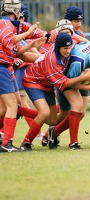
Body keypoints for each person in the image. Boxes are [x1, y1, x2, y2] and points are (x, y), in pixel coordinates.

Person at [19, 32, 90, 151]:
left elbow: (75, 38)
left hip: (47, 84)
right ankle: (26, 143)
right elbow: (64, 83)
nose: (68, 51)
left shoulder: (71, 44)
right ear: (57, 47)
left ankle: (19, 110)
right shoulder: (52, 61)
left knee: (52, 120)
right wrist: (84, 79)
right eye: (65, 48)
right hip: (33, 81)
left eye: (69, 48)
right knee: (44, 113)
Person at [0, 0, 45, 153]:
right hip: (1, 68)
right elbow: (9, 41)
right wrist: (27, 33)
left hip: (6, 68)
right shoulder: (5, 25)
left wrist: (34, 45)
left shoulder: (9, 25)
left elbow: (18, 52)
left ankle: (4, 139)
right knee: (12, 105)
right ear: (16, 12)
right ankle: (6, 143)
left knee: (8, 107)